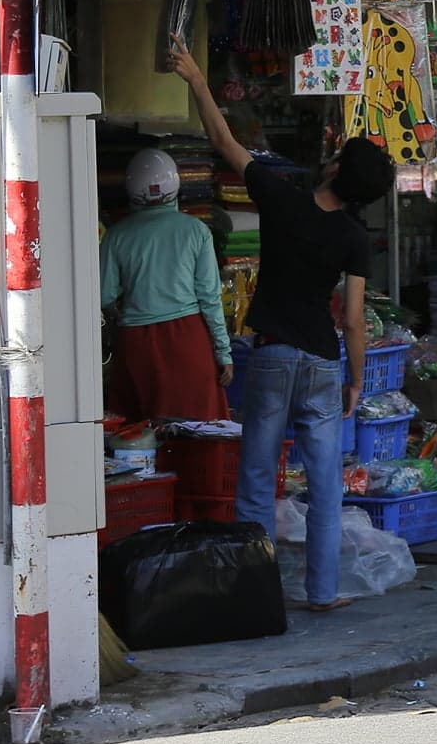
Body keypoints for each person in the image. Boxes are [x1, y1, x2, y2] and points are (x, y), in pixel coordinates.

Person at [169, 37, 394, 611]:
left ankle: (257, 596)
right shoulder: (354, 238)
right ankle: (322, 592)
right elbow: (353, 320)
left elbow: (224, 142)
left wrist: (197, 79)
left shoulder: (283, 199)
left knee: (255, 482)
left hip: (271, 355)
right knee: (325, 487)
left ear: (335, 168)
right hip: (321, 363)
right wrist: (356, 381)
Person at [100, 149, 233, 422]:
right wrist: (223, 351)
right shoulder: (196, 230)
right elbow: (209, 297)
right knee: (199, 428)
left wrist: (127, 307)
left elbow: (103, 296)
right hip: (188, 339)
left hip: (136, 343)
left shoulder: (116, 236)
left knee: (139, 430)